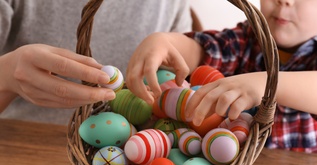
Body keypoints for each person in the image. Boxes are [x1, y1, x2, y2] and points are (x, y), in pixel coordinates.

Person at [124, 0, 317, 157]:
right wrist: (165, 42)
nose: (284, 0)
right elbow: (203, 49)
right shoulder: (248, 37)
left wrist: (267, 83)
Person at [0, 0, 193, 125]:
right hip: (24, 148)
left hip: (125, 163)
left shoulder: (169, 3)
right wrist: (6, 76)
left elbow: (178, 83)